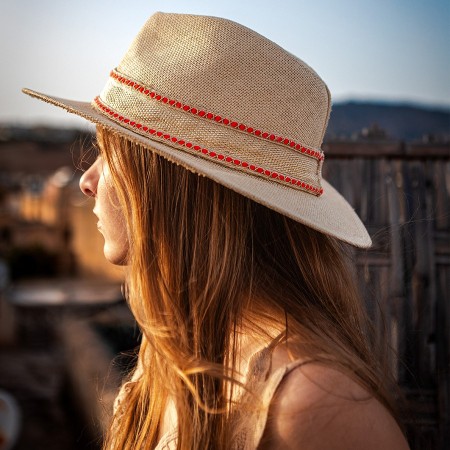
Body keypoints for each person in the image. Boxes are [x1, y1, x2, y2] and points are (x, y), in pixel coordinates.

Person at [23, 12, 410, 450]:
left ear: (173, 185)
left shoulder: (315, 408)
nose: (86, 180)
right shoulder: (177, 355)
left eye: (109, 151)